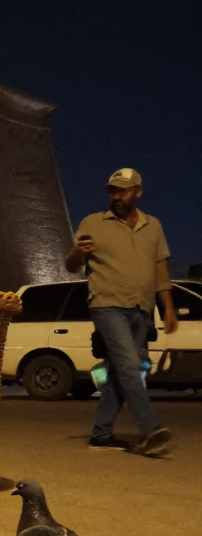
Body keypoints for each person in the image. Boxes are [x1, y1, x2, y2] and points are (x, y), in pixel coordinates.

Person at [66, 167, 176, 456]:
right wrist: (80, 251)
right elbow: (70, 264)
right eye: (113, 191)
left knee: (119, 372)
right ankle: (150, 429)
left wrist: (168, 308)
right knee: (129, 366)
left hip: (142, 307)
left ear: (137, 191)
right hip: (107, 304)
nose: (117, 196)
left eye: (123, 191)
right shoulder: (93, 222)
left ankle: (101, 434)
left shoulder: (153, 225)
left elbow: (160, 270)